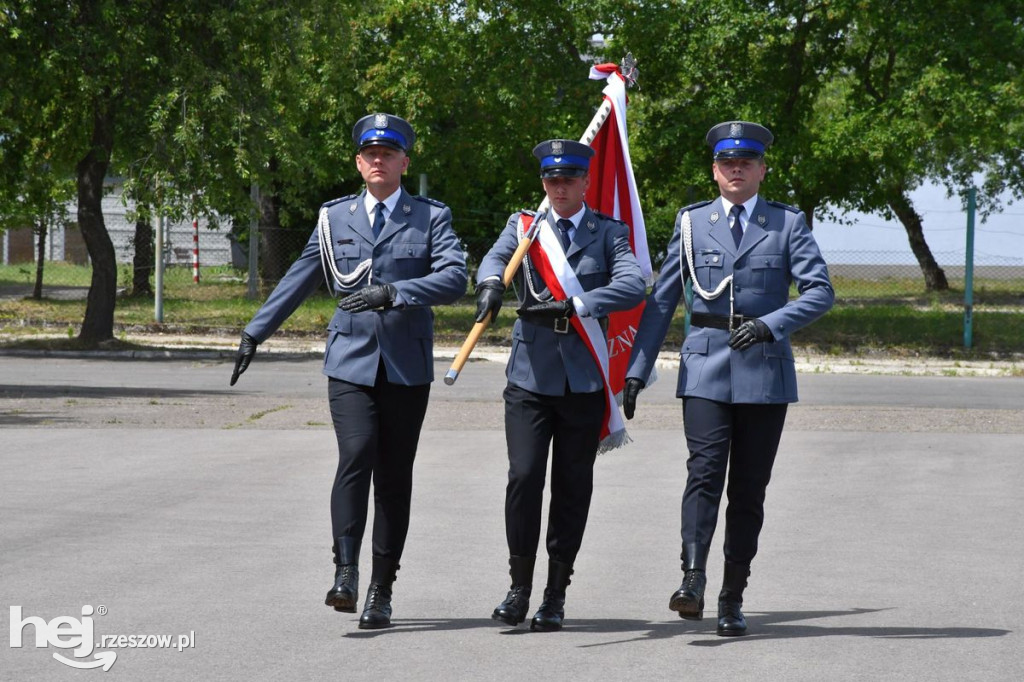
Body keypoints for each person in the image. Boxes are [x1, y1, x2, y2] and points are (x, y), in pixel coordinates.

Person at [229, 113, 468, 629]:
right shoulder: (334, 218)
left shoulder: (430, 218)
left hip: (405, 365)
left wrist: (398, 292)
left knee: (394, 475)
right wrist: (256, 331)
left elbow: (454, 278)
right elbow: (301, 275)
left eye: (389, 153)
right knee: (356, 453)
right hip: (351, 361)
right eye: (370, 154)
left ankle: (382, 589)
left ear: (405, 162)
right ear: (359, 163)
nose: (379, 160)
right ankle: (345, 573)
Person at [622, 121, 834, 636]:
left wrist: (769, 325)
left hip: (764, 371)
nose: (735, 170)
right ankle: (692, 579)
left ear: (762, 169)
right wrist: (636, 369)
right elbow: (662, 301)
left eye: (746, 162)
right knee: (704, 472)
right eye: (726, 163)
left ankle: (732, 595)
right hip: (706, 366)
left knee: (748, 489)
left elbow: (819, 291)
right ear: (714, 170)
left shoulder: (787, 224)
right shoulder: (692, 223)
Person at [475, 139, 646, 632]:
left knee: (572, 489)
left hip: (583, 381)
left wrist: (579, 305)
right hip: (529, 377)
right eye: (552, 179)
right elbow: (493, 261)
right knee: (524, 478)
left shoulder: (607, 232)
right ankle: (518, 586)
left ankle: (555, 593)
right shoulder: (525, 227)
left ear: (586, 182)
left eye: (569, 178)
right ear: (543, 182)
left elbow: (634, 284)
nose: (560, 186)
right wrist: (489, 284)